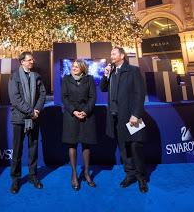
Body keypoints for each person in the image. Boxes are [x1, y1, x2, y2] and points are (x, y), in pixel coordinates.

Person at [100, 46, 148, 193]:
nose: (111, 56)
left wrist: (136, 114)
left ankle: (141, 178)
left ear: (122, 55)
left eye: (113, 53)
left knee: (135, 146)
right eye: (110, 53)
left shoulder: (133, 70)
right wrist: (106, 75)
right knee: (123, 147)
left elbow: (140, 94)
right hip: (116, 117)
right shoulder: (111, 71)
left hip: (132, 116)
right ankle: (130, 174)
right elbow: (103, 88)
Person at [8, 51, 46, 194]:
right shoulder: (14, 76)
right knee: (17, 150)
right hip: (19, 118)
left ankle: (32, 176)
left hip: (34, 118)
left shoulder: (36, 76)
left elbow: (42, 94)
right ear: (22, 62)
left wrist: (36, 110)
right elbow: (15, 98)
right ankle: (15, 179)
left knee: (33, 148)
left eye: (32, 60)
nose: (32, 62)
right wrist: (31, 112)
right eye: (29, 60)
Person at [61, 59, 97, 191]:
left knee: (86, 144)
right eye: (73, 66)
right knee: (72, 144)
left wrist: (85, 111)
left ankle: (87, 173)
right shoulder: (66, 79)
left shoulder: (89, 79)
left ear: (82, 68)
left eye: (77, 66)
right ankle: (74, 174)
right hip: (71, 115)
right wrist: (74, 111)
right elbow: (64, 98)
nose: (74, 68)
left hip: (86, 115)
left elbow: (93, 97)